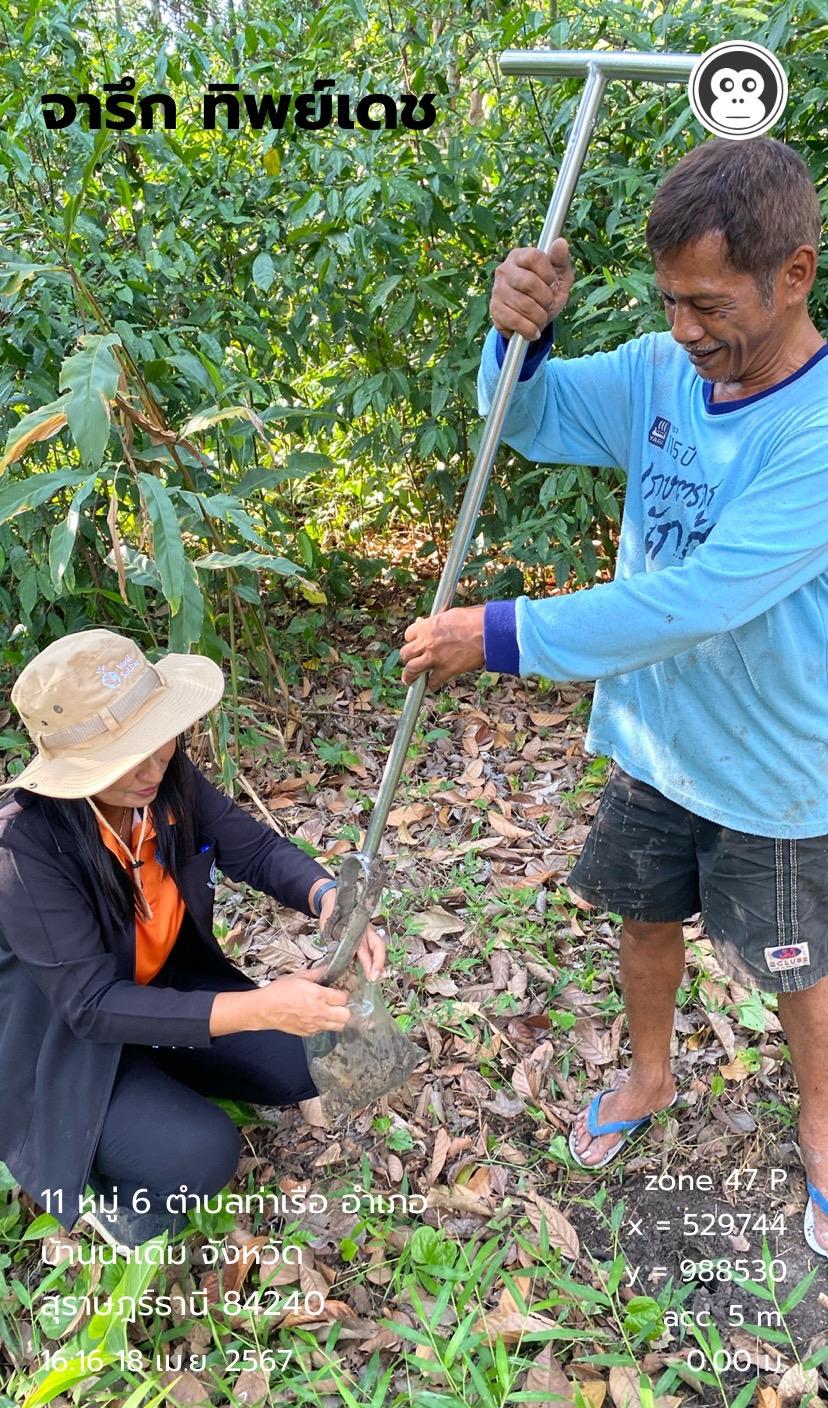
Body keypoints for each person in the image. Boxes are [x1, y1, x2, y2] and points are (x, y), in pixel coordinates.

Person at [399, 138, 828, 1259]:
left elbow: (698, 598)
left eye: (708, 303)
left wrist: (495, 632)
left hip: (775, 765)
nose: (684, 330)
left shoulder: (816, 431)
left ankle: (825, 1129)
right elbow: (525, 425)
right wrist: (514, 340)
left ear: (796, 274)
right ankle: (648, 1075)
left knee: (794, 963)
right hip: (656, 737)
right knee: (645, 916)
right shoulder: (656, 372)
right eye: (668, 301)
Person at [0, 628, 385, 1252]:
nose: (156, 766)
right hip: (66, 1048)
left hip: (163, 989)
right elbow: (91, 1005)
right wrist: (261, 1007)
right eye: (131, 758)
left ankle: (163, 1075)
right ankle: (104, 1186)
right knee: (200, 1155)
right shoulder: (24, 851)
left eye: (161, 741)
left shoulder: (163, 778)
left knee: (321, 1048)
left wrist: (326, 897)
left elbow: (253, 849)